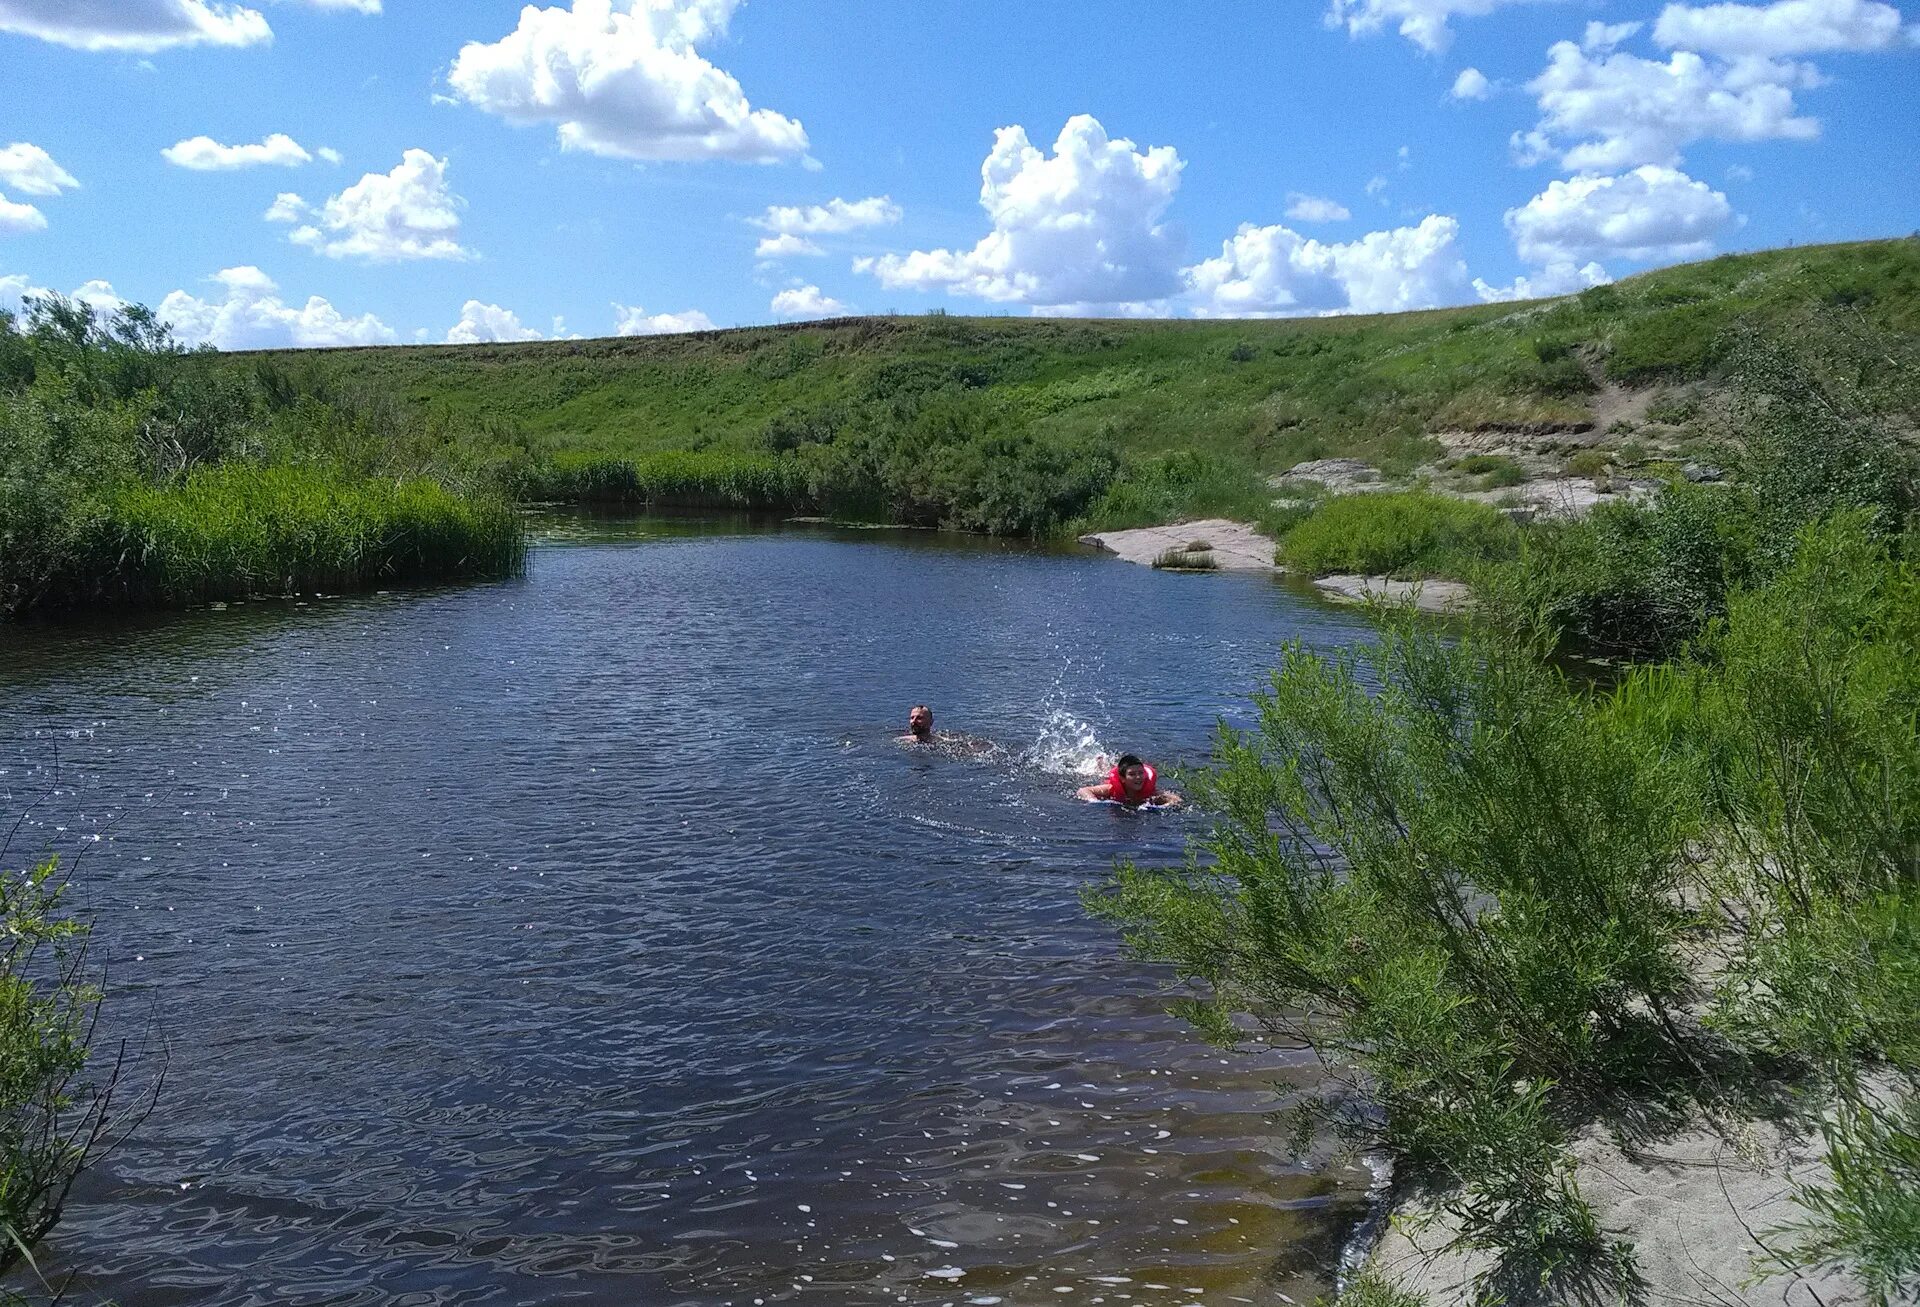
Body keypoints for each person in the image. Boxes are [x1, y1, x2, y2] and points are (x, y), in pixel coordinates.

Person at [1078, 754, 1183, 808]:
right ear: (1123, 779)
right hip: (1114, 778)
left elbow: (1177, 800)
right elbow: (1083, 790)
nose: (1138, 777)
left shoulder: (1152, 792)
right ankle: (1101, 762)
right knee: (1105, 773)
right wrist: (1094, 801)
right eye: (1132, 774)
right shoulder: (1110, 788)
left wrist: (1164, 806)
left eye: (1141, 773)